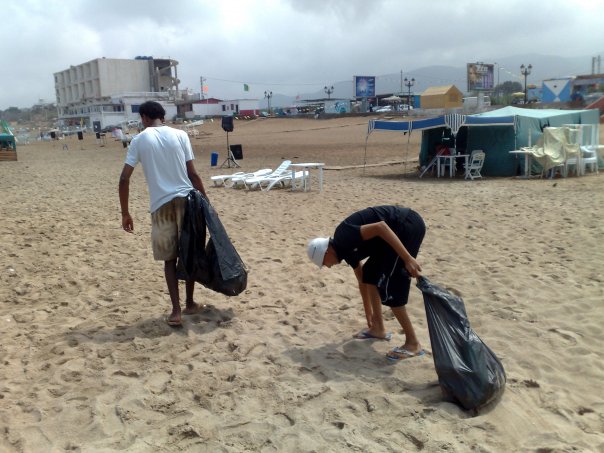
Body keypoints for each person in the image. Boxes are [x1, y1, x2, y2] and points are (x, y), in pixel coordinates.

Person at [118, 101, 208, 327]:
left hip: (161, 205)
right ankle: (189, 303)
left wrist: (125, 213)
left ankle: (176, 311)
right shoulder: (180, 135)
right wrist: (206, 201)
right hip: (187, 201)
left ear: (144, 118)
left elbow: (124, 178)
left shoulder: (139, 140)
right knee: (189, 254)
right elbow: (193, 175)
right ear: (161, 116)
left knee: (169, 259)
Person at [307, 205, 426, 361]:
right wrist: (368, 314)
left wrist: (407, 258)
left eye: (324, 263)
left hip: (406, 226)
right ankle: (378, 328)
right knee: (371, 273)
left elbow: (381, 227)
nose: (328, 266)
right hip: (394, 233)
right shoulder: (345, 251)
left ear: (327, 251)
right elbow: (363, 279)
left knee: (391, 287)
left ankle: (413, 343)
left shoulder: (343, 236)